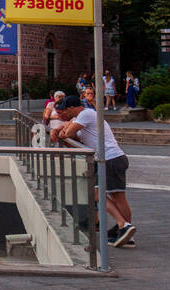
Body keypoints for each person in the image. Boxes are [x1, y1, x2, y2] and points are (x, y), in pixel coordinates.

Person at [53, 94, 137, 248]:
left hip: (110, 159)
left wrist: (62, 131)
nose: (65, 113)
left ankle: (123, 225)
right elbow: (74, 139)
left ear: (72, 108)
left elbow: (68, 134)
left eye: (66, 110)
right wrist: (61, 130)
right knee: (117, 197)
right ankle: (125, 231)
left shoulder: (85, 114)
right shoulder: (85, 118)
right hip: (113, 158)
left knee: (102, 195)